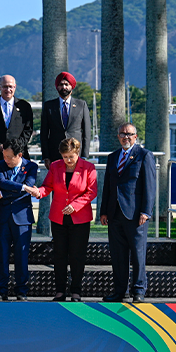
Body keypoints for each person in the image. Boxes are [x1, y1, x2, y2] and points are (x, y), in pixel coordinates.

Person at [100, 123, 156, 303]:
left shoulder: (144, 155)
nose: (126, 137)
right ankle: (119, 291)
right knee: (118, 255)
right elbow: (108, 186)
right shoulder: (112, 157)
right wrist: (103, 211)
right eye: (123, 134)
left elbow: (150, 186)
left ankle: (138, 290)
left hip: (135, 214)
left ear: (136, 137)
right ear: (118, 137)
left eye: (130, 134)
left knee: (138, 255)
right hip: (114, 213)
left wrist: (146, 211)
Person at [39, 137, 98, 301]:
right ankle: (59, 291)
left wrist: (76, 205)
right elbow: (47, 186)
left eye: (71, 156)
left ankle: (76, 291)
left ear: (77, 153)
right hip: (58, 218)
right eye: (65, 157)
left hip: (80, 218)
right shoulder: (56, 166)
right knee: (59, 254)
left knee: (77, 255)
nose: (68, 160)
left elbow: (91, 192)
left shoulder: (88, 168)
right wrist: (39, 192)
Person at [37, 71, 92, 235]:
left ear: (72, 87)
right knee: (58, 194)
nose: (63, 87)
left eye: (66, 84)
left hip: (77, 158)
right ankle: (58, 232)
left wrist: (85, 156)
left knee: (77, 191)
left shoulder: (81, 105)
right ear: (57, 87)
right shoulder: (49, 106)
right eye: (61, 84)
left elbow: (86, 132)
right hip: (56, 158)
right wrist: (46, 156)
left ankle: (75, 229)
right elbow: (44, 133)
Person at [0, 138, 39, 301]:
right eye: (4, 156)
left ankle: (21, 290)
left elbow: (29, 188)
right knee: (2, 255)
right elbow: (2, 182)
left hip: (22, 217)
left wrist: (3, 194)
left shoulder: (31, 166)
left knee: (22, 255)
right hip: (2, 217)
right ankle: (1, 290)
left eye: (9, 157)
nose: (6, 160)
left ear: (19, 155)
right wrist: (23, 187)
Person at [0, 75, 34, 163]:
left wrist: (16, 147)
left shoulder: (24, 106)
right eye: (5, 86)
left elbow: (28, 130)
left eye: (10, 87)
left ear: (15, 87)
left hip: (19, 156)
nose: (8, 90)